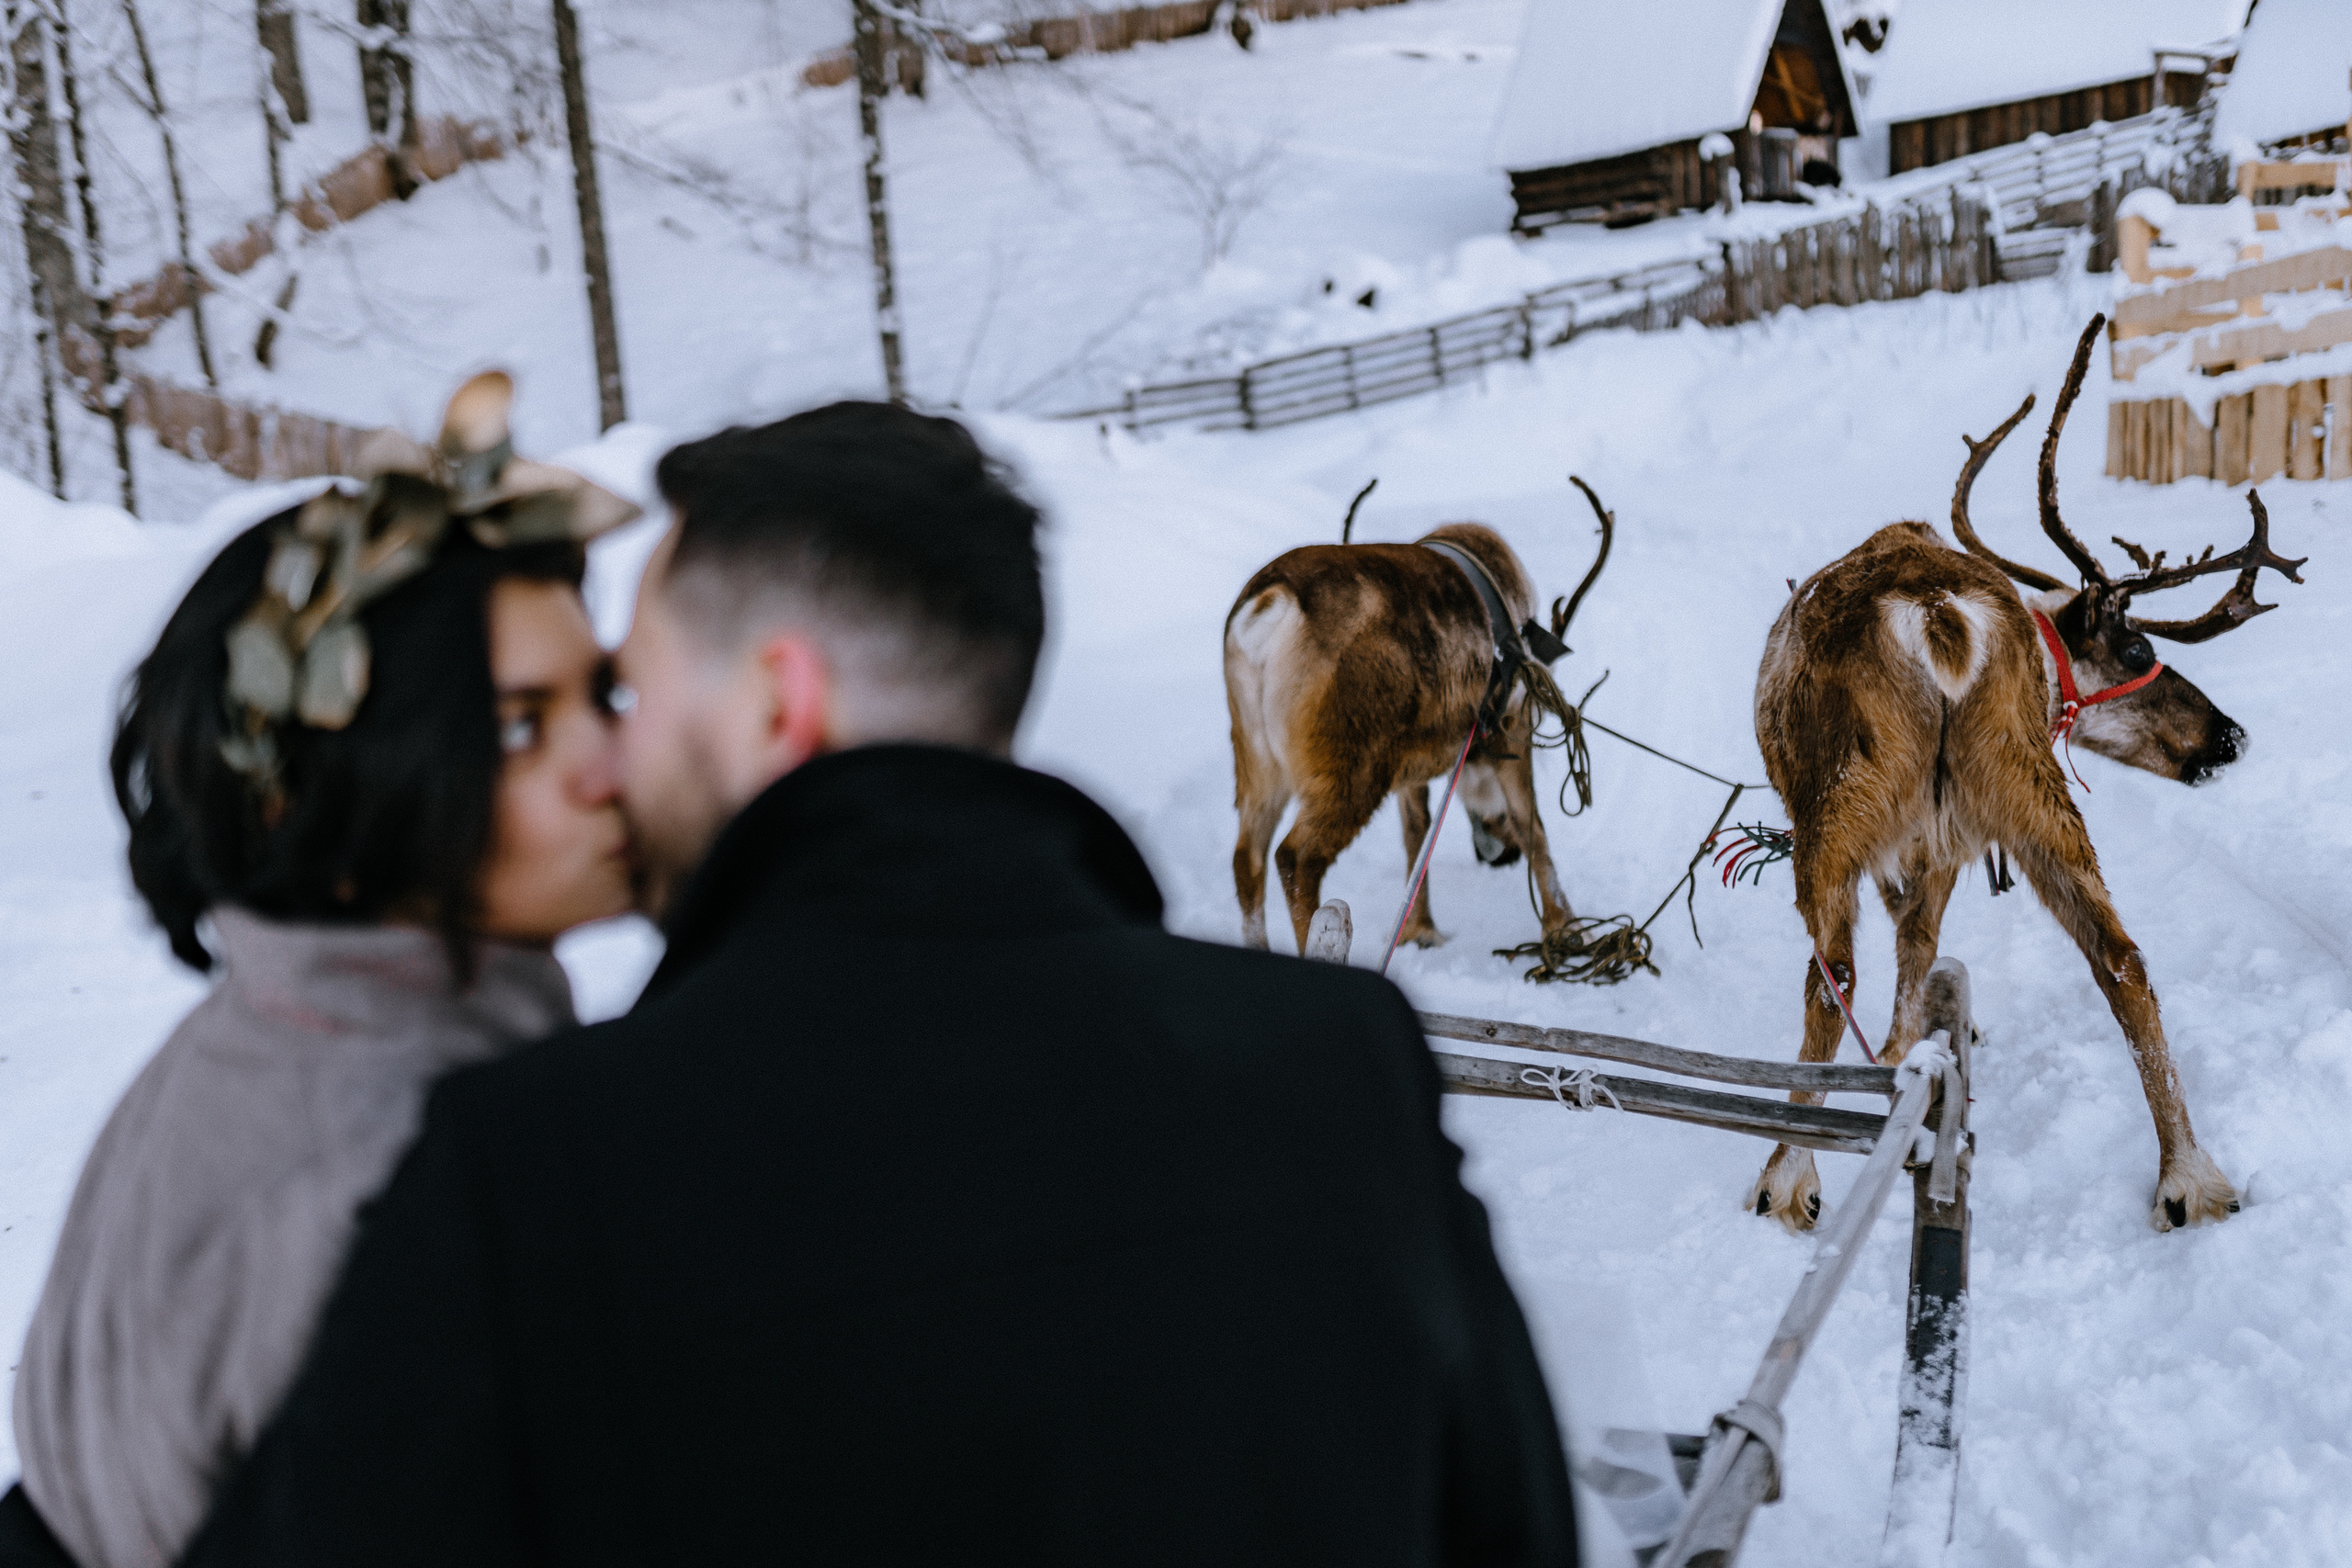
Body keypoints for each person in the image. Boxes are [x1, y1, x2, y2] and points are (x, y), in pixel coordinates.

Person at [177, 401, 1581, 1567]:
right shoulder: (1339, 1070)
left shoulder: (527, 1172)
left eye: (632, 688)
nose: (608, 756)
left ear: (778, 703)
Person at [1, 377, 642, 1568]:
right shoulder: (397, 1158)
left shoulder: (272, 1036)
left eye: (602, 692)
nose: (611, 763)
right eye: (520, 726)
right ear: (345, 782)